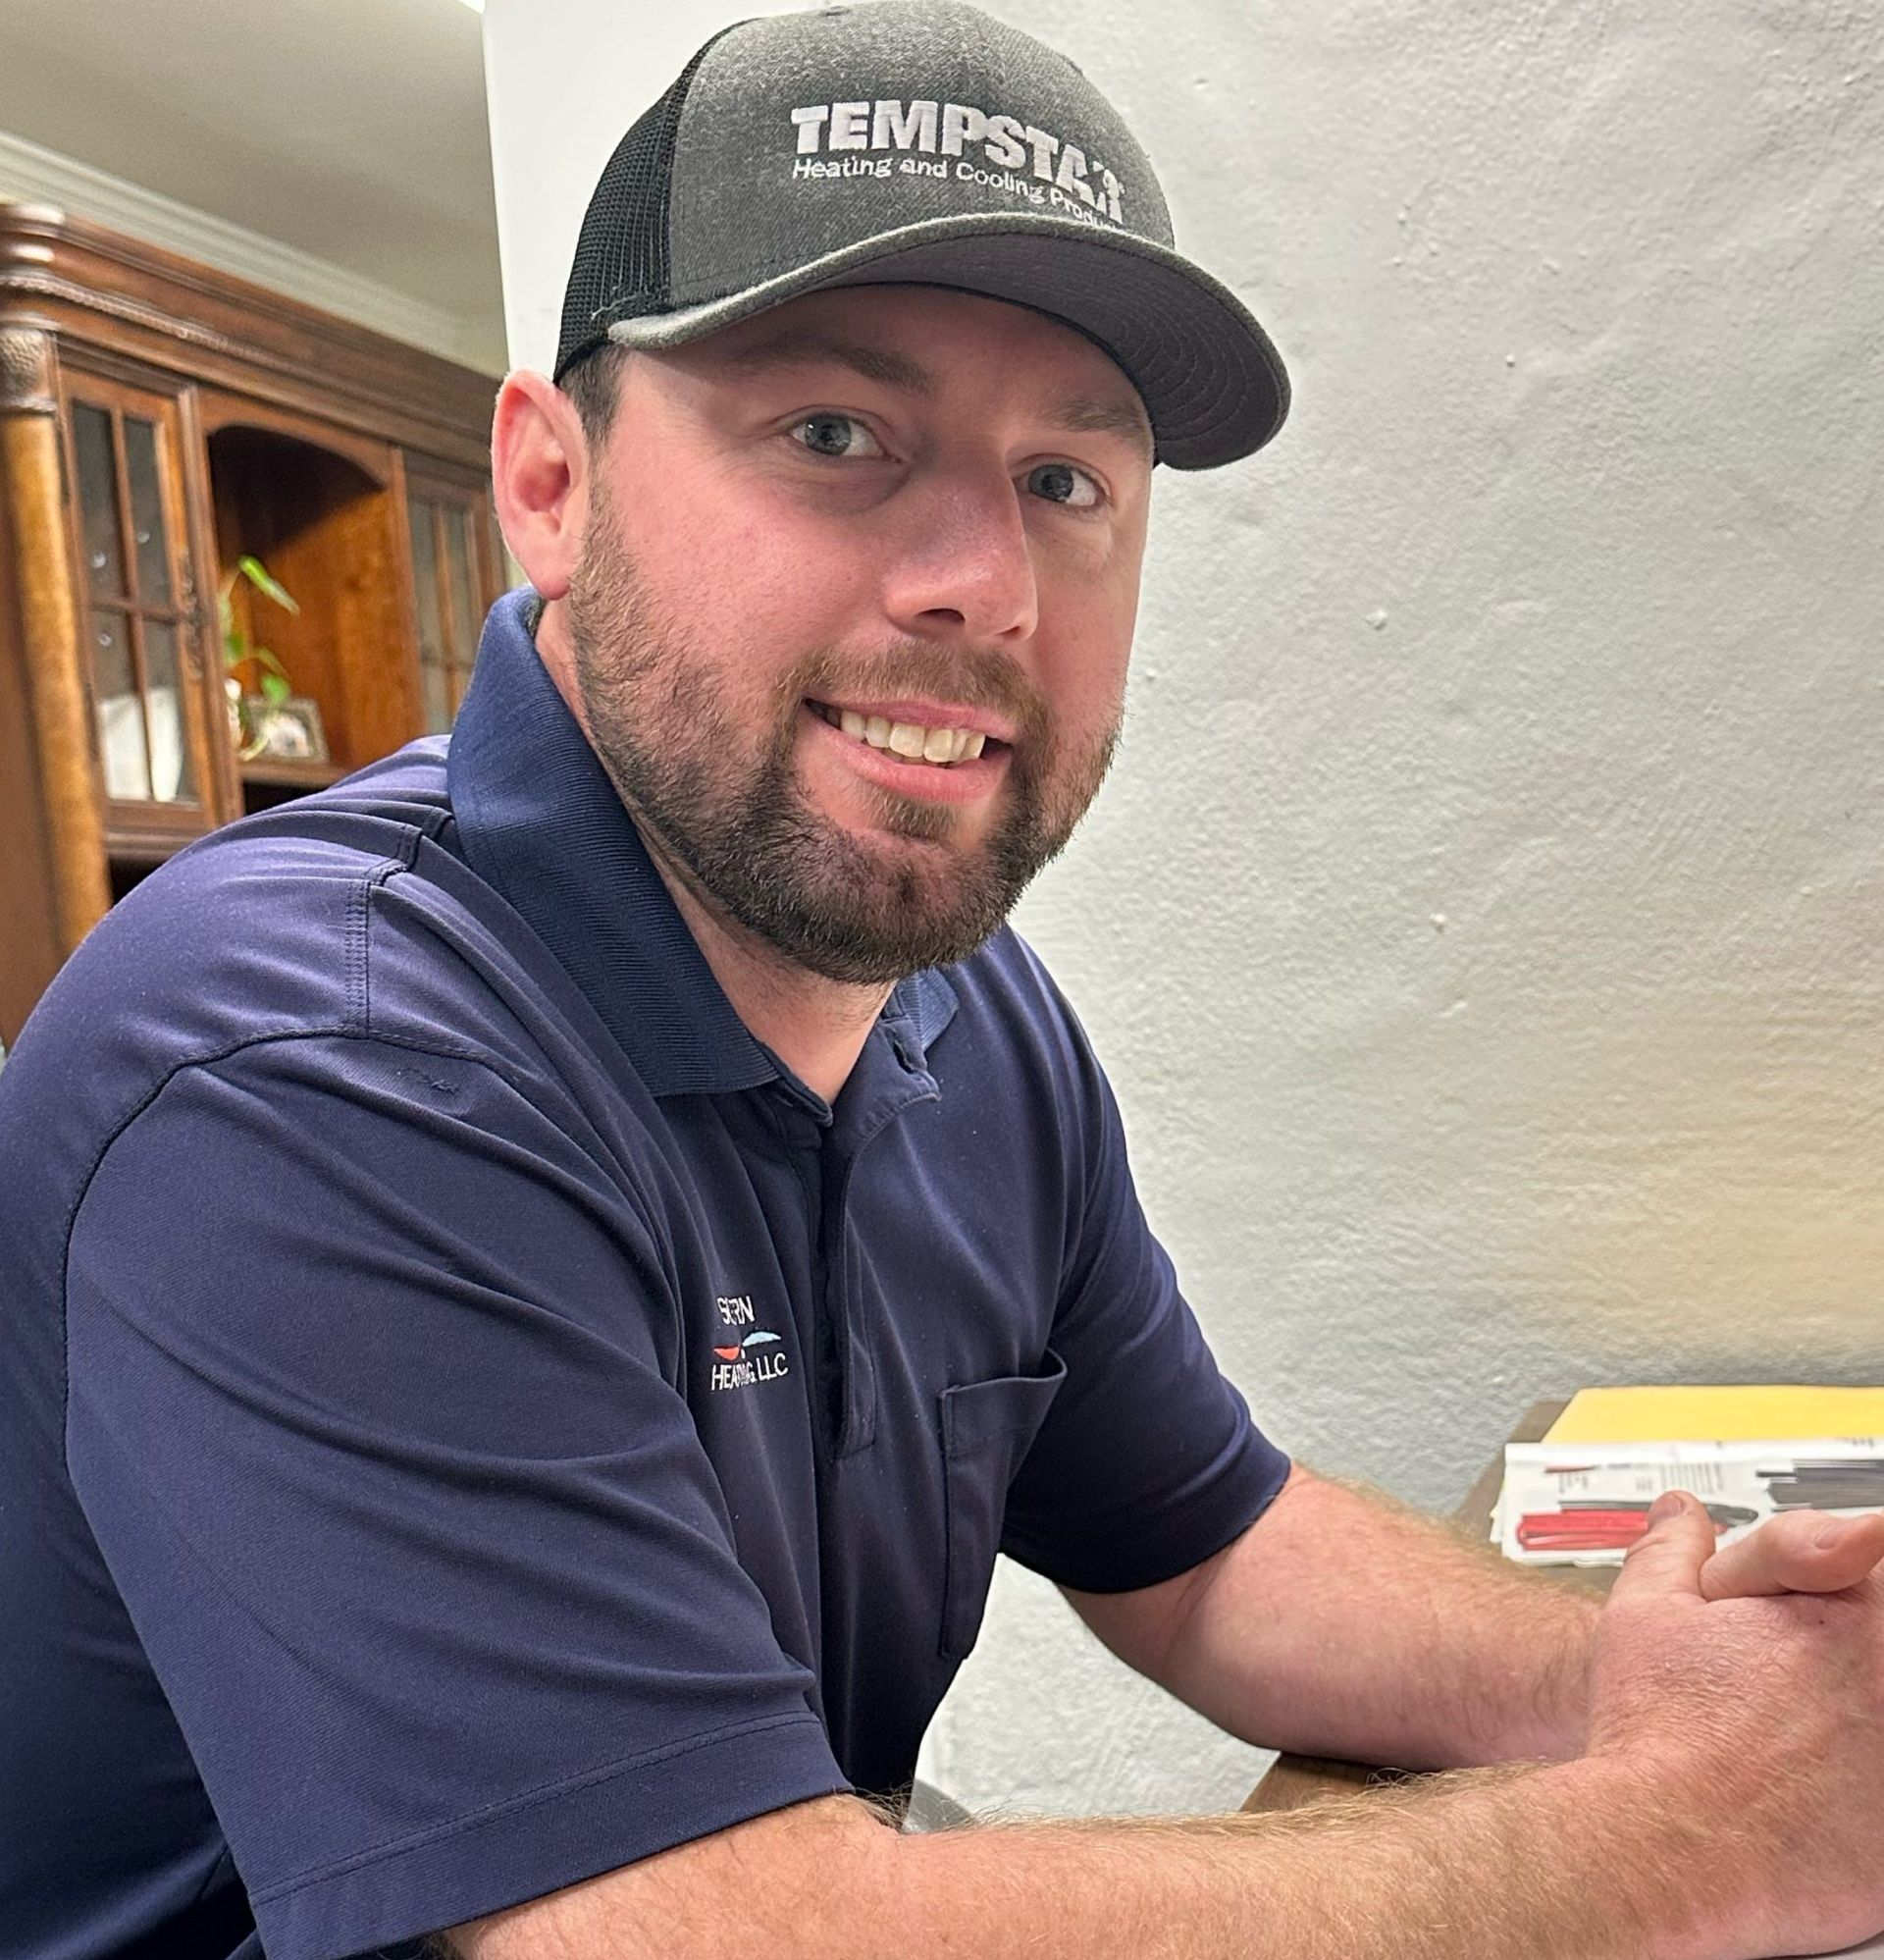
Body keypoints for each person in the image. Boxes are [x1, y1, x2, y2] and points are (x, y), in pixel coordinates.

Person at [3, 5, 1883, 1957]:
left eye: (1068, 477)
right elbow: (703, 1932)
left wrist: (1666, 1680)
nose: (986, 577)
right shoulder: (310, 1056)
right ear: (550, 485)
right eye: (836, 434)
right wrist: (1692, 1833)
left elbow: (1216, 1553)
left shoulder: (967, 1020)